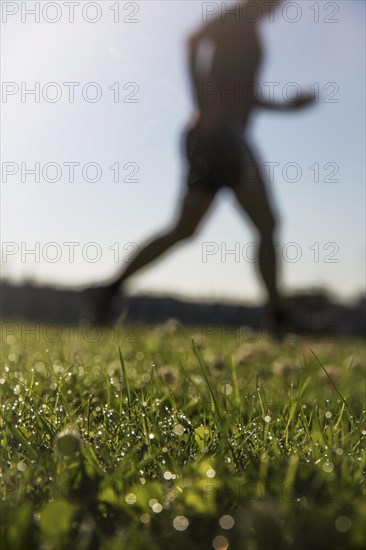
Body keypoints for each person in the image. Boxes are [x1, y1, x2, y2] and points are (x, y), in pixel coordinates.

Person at [87, 0, 316, 325]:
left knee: (186, 229)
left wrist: (285, 108)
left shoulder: (249, 28)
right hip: (220, 137)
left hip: (223, 137)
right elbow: (193, 40)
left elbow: (242, 94)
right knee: (265, 224)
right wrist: (202, 103)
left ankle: (109, 291)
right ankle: (278, 315)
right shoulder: (237, 18)